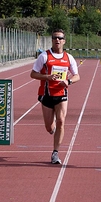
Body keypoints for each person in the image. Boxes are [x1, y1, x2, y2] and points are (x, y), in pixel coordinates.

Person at [30, 29, 80, 164]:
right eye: (55, 38)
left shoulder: (69, 58)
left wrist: (68, 81)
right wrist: (47, 77)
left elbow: (77, 76)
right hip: (46, 94)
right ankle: (53, 131)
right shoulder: (44, 57)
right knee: (49, 127)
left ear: (64, 41)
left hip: (61, 94)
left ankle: (55, 153)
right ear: (52, 40)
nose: (57, 40)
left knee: (61, 121)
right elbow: (33, 74)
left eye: (60, 38)